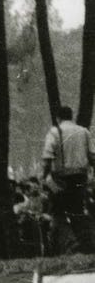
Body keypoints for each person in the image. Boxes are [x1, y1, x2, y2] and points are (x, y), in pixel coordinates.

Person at [41, 105, 95, 254]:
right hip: (80, 178)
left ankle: (71, 242)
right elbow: (92, 157)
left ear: (58, 117)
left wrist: (44, 177)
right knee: (77, 211)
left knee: (58, 212)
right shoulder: (84, 132)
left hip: (61, 179)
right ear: (72, 116)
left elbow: (47, 158)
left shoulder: (55, 132)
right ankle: (86, 244)